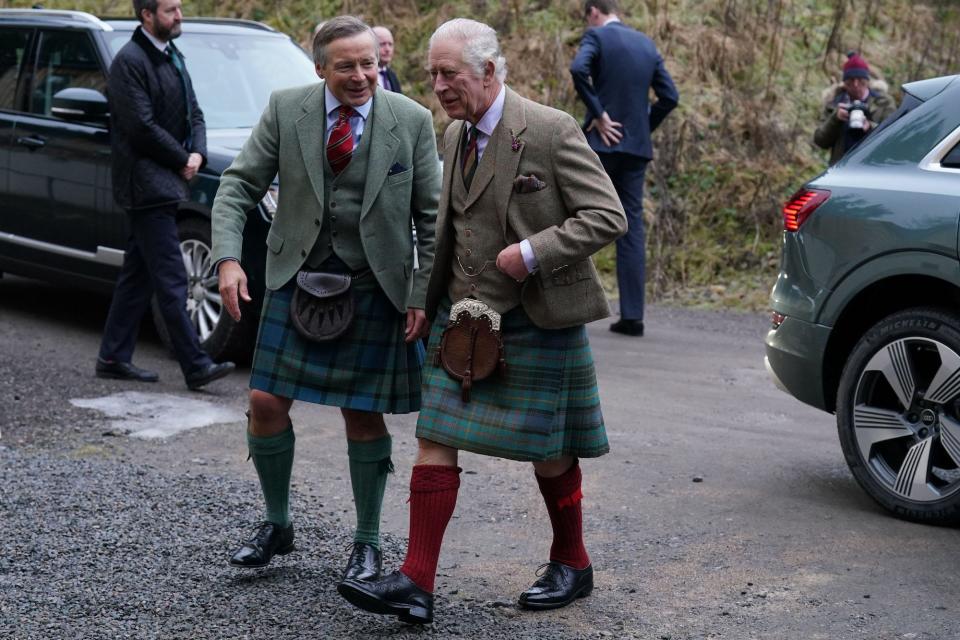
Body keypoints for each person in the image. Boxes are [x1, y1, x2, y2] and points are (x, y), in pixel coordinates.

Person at [337, 18, 626, 624]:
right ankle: (416, 581)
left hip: (535, 315)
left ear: (488, 72)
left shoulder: (550, 129)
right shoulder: (452, 135)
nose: (439, 86)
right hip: (461, 319)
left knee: (549, 451)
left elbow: (607, 215)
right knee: (433, 435)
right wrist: (424, 298)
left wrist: (531, 253)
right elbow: (445, 230)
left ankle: (572, 560)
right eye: (433, 74)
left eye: (450, 74)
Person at [211, 16, 439, 585]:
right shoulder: (289, 109)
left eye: (370, 63)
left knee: (362, 413)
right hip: (297, 277)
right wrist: (229, 259)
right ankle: (277, 523)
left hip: (374, 285)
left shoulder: (410, 120)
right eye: (347, 66)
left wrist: (420, 292)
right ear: (320, 69)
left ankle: (366, 543)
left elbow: (432, 218)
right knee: (265, 401)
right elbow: (238, 185)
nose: (362, 75)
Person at [96, 0, 235, 390]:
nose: (179, 16)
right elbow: (140, 126)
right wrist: (181, 159)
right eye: (171, 10)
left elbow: (195, 112)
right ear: (147, 15)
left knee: (138, 275)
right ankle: (195, 365)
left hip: (167, 181)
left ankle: (112, 356)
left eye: (179, 8)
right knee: (173, 277)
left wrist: (198, 154)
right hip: (144, 186)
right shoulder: (129, 62)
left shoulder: (172, 55)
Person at [570, 0, 678, 338]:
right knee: (630, 229)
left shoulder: (597, 37)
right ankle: (632, 316)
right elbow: (670, 96)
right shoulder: (646, 44)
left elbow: (578, 69)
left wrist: (600, 115)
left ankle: (569, 308)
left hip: (600, 147)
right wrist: (642, 127)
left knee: (576, 216)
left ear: (593, 12)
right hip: (634, 150)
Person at [814, 51, 897, 166]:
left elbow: (893, 138)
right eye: (851, 81)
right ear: (844, 82)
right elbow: (820, 141)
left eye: (860, 81)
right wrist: (835, 119)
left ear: (867, 81)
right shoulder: (834, 103)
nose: (856, 85)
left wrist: (870, 128)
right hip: (840, 169)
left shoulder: (883, 103)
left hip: (872, 169)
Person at [372, 25, 402, 94]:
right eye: (382, 44)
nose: (387, 49)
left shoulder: (393, 76)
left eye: (390, 44)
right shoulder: (364, 77)